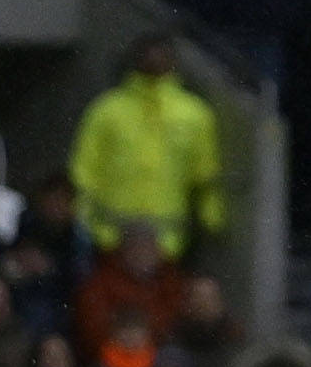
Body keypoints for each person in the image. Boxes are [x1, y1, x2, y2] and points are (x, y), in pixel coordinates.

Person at [68, 34, 222, 260]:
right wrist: (82, 220)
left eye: (161, 55)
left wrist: (212, 218)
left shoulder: (194, 114)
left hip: (169, 240)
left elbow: (204, 173)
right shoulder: (106, 110)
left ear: (173, 60)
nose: (154, 60)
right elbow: (83, 170)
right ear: (135, 59)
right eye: (148, 54)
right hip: (109, 236)